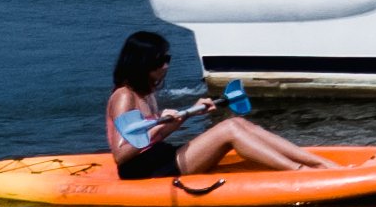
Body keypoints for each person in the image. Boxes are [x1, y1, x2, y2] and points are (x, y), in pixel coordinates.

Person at [102, 28, 330, 182]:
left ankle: (321, 163)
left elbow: (155, 135)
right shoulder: (124, 96)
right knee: (228, 129)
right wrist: (159, 127)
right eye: (161, 60)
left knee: (237, 122)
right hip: (144, 171)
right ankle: (300, 173)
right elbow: (121, 155)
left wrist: (183, 117)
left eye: (167, 59)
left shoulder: (146, 92)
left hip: (160, 157)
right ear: (143, 63)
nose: (166, 65)